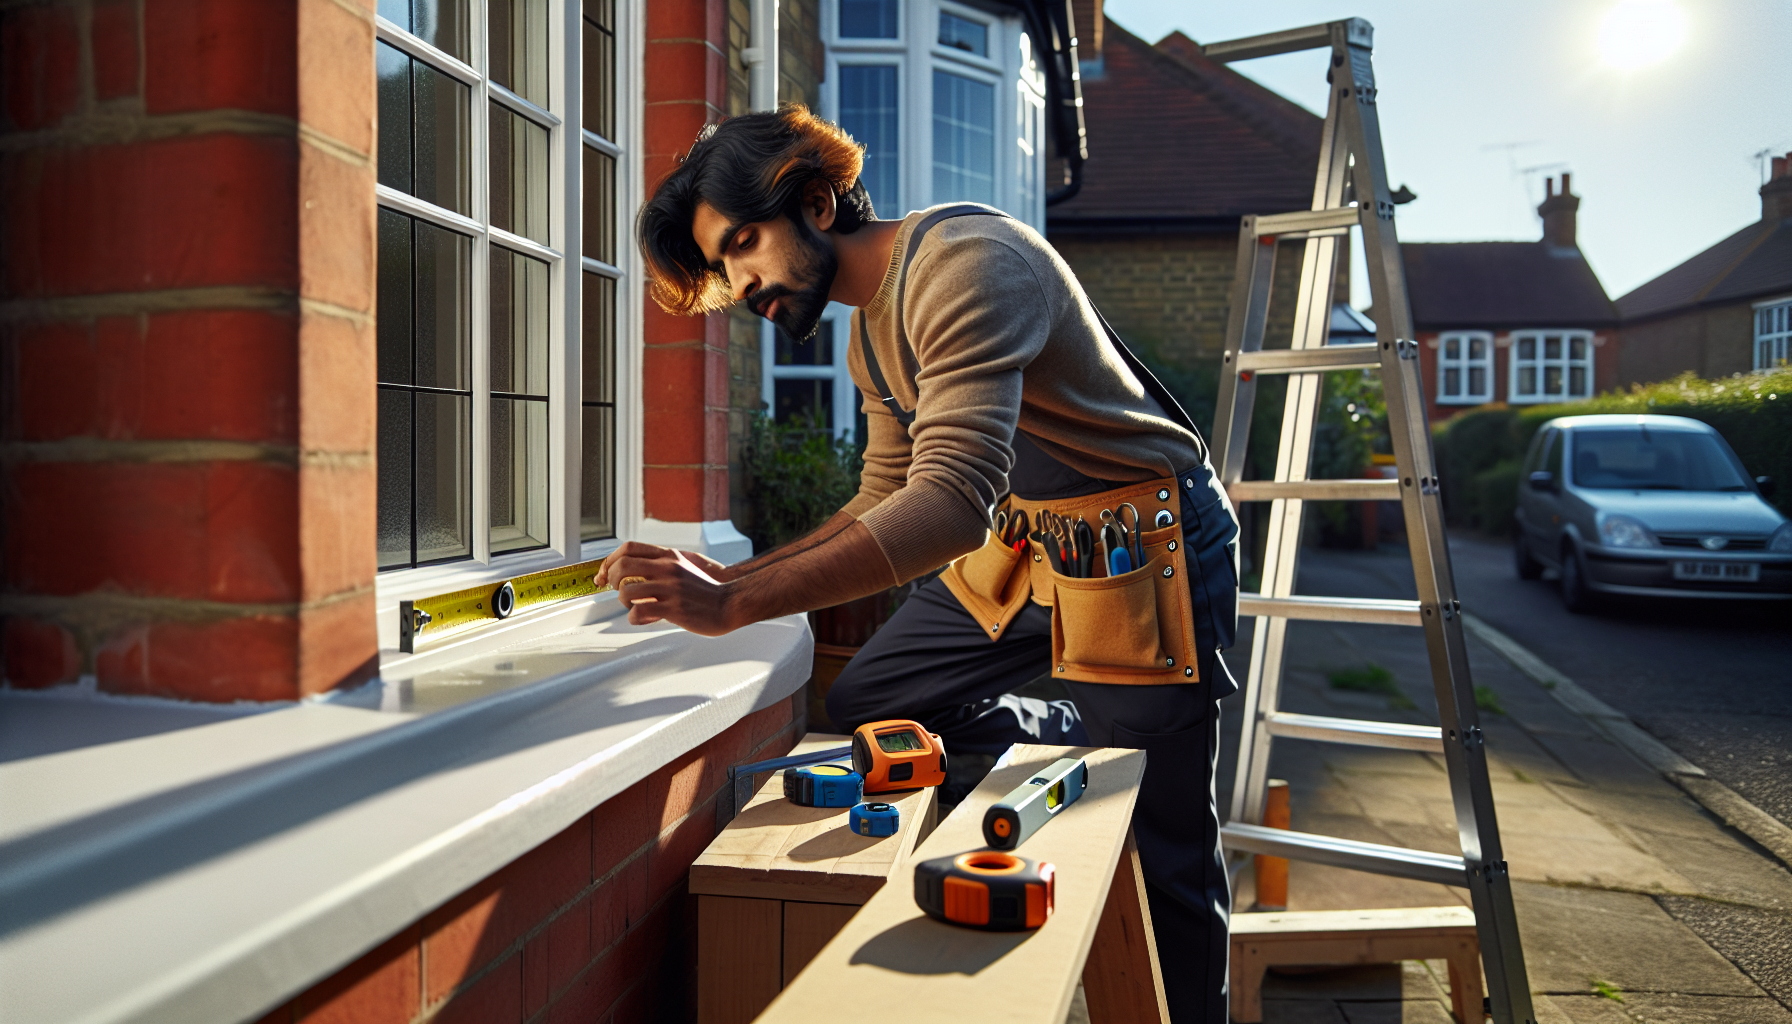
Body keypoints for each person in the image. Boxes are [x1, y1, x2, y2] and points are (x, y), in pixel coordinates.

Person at [608, 105, 1239, 1022]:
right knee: (872, 703)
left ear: (817, 202)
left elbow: (948, 504)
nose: (741, 282)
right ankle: (1078, 726)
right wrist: (730, 586)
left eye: (744, 244)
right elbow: (880, 497)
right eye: (722, 265)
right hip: (1023, 549)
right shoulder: (871, 331)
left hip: (1141, 546)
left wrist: (737, 605)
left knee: (1162, 844)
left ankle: (1111, 753)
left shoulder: (970, 265)